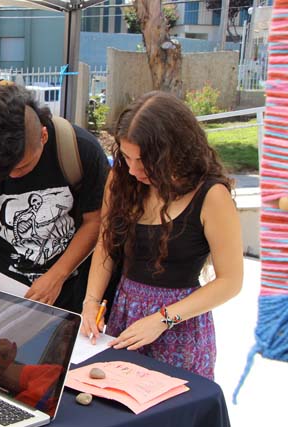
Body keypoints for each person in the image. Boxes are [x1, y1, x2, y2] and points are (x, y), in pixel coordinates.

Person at [81, 91, 243, 380]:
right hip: (125, 315)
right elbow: (106, 243)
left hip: (181, 326)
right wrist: (91, 301)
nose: (133, 170)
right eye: (126, 157)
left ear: (173, 153)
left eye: (144, 161)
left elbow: (230, 282)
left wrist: (162, 319)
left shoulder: (211, 195)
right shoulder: (121, 178)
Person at [0, 84, 109, 313]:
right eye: (5, 172)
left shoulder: (79, 149)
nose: (13, 176)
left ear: (43, 136)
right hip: (6, 296)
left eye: (22, 167)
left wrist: (57, 276)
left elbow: (95, 221)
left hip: (71, 298)